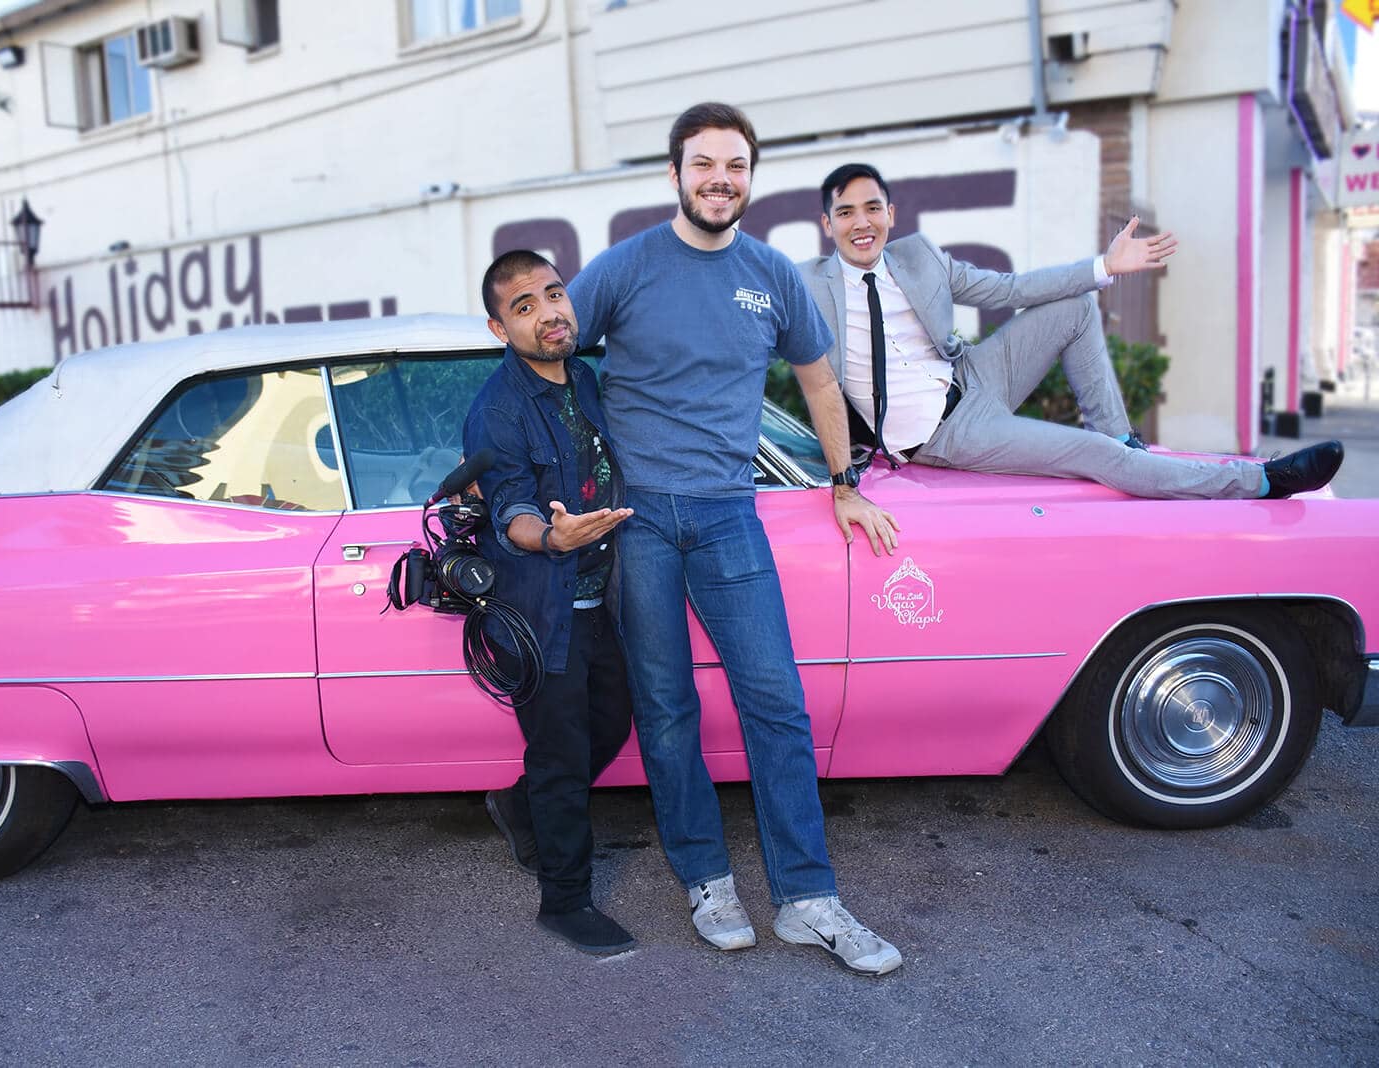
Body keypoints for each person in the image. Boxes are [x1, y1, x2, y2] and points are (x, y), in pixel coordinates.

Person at [567, 103, 903, 975]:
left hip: (728, 516)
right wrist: (559, 481)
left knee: (776, 705)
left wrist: (842, 482)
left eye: (737, 166)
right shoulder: (625, 267)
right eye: (704, 163)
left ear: (751, 177)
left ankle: (807, 897)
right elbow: (552, 352)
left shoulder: (771, 274)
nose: (721, 179)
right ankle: (706, 879)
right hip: (638, 519)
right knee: (669, 709)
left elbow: (820, 380)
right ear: (674, 173)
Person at [800, 161, 1344, 498]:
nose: (861, 222)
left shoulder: (920, 258)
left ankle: (1121, 439)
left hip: (975, 374)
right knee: (1094, 460)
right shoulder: (805, 285)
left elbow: (1010, 291)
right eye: (846, 213)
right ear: (827, 225)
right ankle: (1263, 482)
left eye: (872, 208)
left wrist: (1104, 267)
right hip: (946, 435)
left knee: (1076, 307)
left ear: (891, 214)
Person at [463, 250, 637, 956]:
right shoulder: (497, 410)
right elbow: (510, 506)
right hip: (541, 610)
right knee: (562, 754)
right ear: (500, 328)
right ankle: (564, 903)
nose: (547, 312)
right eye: (523, 307)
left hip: (600, 601)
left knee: (613, 725)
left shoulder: (585, 379)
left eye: (552, 294)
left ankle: (518, 803)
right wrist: (552, 537)